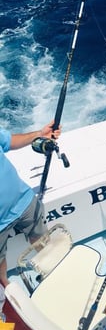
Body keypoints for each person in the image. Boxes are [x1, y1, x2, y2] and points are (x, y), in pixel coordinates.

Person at [0, 120, 61, 287]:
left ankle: (55, 272)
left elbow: (8, 141)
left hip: (23, 200)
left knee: (42, 240)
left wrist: (40, 134)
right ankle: (7, 289)